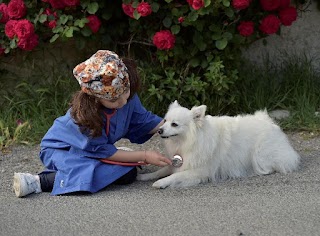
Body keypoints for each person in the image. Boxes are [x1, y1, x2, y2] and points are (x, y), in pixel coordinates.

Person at [13, 50, 172, 197]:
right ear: (96, 98)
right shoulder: (85, 117)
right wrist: (144, 155)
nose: (123, 101)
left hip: (94, 150)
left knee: (128, 170)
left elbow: (144, 120)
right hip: (61, 149)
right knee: (120, 171)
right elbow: (103, 151)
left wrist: (177, 124)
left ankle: (113, 159)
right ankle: (38, 182)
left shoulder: (126, 98)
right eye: (114, 100)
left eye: (126, 91)